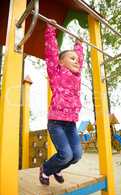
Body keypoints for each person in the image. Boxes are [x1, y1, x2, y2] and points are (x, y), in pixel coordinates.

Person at [39, 20, 84, 185]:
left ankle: (56, 169)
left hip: (70, 124)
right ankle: (45, 169)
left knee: (77, 155)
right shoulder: (56, 73)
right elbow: (51, 53)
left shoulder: (77, 76)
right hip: (56, 123)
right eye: (72, 58)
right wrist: (50, 30)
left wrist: (79, 45)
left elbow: (80, 58)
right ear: (61, 62)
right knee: (66, 154)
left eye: (77, 59)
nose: (77, 61)